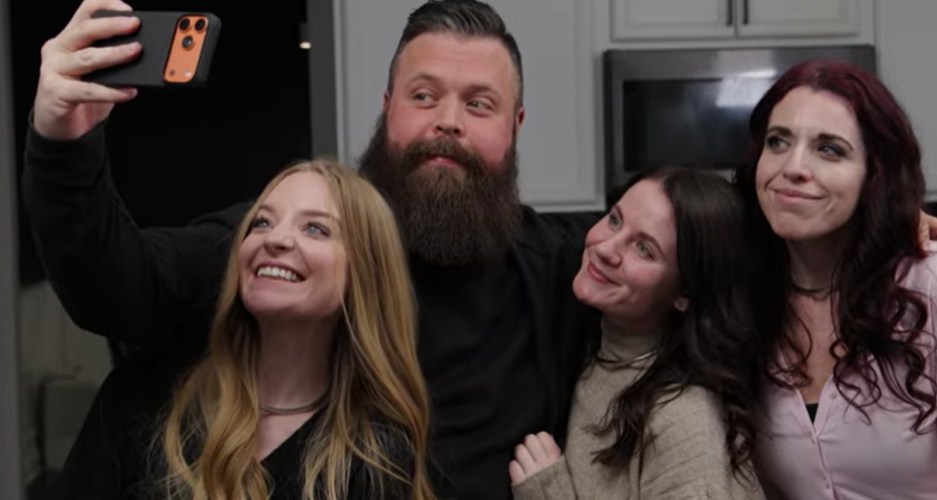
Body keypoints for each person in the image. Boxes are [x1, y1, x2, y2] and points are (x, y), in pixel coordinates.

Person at [24, 1, 597, 498]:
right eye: (423, 95)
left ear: (516, 124)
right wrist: (62, 137)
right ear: (387, 106)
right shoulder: (291, 247)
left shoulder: (563, 271)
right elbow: (116, 286)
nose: (447, 121)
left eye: (479, 104)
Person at [50, 160, 434, 499]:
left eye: (316, 229)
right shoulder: (145, 400)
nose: (276, 239)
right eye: (262, 222)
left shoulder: (376, 455)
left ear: (364, 276)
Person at [733, 59, 937, 499]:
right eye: (778, 142)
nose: (793, 167)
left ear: (873, 176)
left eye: (830, 149)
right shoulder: (742, 294)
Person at [507, 168, 765, 499]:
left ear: (684, 294)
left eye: (644, 249)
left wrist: (549, 493)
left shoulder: (683, 420)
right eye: (615, 220)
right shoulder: (592, 346)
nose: (605, 249)